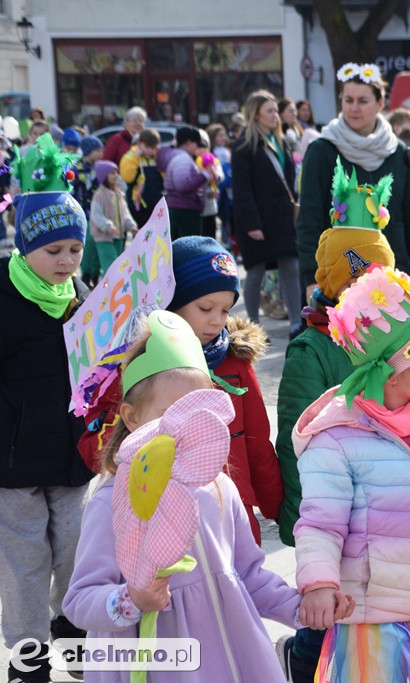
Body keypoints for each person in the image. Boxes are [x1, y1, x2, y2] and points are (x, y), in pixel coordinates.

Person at [63, 311, 318, 683]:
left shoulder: (218, 487)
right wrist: (132, 598)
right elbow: (80, 599)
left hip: (232, 653)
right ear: (131, 418)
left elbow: (248, 574)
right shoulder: (113, 500)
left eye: (198, 412)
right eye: (169, 414)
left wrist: (302, 607)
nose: (184, 427)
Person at [293, 265, 410, 680]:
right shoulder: (337, 440)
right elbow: (319, 524)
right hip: (373, 626)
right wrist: (319, 583)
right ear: (396, 367)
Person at [274, 165, 398, 683]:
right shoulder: (312, 350)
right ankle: (301, 662)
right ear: (336, 284)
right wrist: (309, 512)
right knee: (329, 605)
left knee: (369, 601)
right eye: (359, 282)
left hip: (381, 499)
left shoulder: (392, 337)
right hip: (328, 505)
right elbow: (295, 437)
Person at [77, 236, 284, 543]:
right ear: (172, 303)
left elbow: (257, 445)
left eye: (226, 310)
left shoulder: (236, 362)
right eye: (205, 307)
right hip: (159, 523)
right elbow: (94, 443)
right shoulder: (138, 363)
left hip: (231, 523)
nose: (217, 321)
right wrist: (134, 433)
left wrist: (279, 507)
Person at [2, 136, 93, 683]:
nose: (65, 262)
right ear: (25, 246)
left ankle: (75, 631)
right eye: (54, 251)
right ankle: (26, 656)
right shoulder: (4, 297)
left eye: (74, 251)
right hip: (12, 466)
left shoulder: (83, 297)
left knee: (78, 552)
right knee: (23, 565)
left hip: (71, 454)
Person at [298, 63, 410, 303]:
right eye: (348, 100)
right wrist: (311, 277)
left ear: (380, 104)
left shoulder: (398, 152)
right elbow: (309, 219)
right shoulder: (321, 150)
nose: (354, 108)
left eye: (363, 101)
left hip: (392, 280)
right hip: (337, 282)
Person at [232, 89, 304, 337]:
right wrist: (252, 223)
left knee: (291, 268)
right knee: (255, 271)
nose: (276, 115)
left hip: (282, 216)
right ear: (256, 114)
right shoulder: (244, 146)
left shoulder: (283, 141)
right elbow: (242, 189)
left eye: (276, 110)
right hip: (258, 218)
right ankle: (251, 326)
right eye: (270, 111)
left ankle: (296, 322)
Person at [160, 126, 216, 240]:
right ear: (189, 142)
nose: (197, 147)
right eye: (196, 143)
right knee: (188, 248)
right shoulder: (183, 159)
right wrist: (205, 175)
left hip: (180, 209)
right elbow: (182, 184)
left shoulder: (179, 157)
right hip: (184, 210)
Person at [89, 160, 136, 274]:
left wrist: (131, 226)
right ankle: (110, 289)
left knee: (119, 265)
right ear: (103, 175)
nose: (115, 176)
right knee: (110, 265)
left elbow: (125, 213)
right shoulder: (99, 195)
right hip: (105, 237)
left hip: (118, 236)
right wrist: (108, 226)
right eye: (111, 173)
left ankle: (117, 288)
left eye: (116, 173)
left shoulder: (118, 193)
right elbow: (96, 215)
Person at [71, 135, 105, 287]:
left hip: (98, 211)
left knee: (96, 244)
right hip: (82, 212)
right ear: (88, 151)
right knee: (87, 244)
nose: (101, 153)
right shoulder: (76, 170)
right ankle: (85, 275)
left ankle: (95, 274)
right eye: (97, 150)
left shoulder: (99, 168)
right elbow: (72, 190)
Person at [119, 127, 164, 228]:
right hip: (138, 205)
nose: (150, 150)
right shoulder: (130, 157)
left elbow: (165, 177)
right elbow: (128, 178)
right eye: (147, 147)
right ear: (139, 144)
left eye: (153, 147)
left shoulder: (157, 156)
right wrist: (135, 158)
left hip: (156, 202)